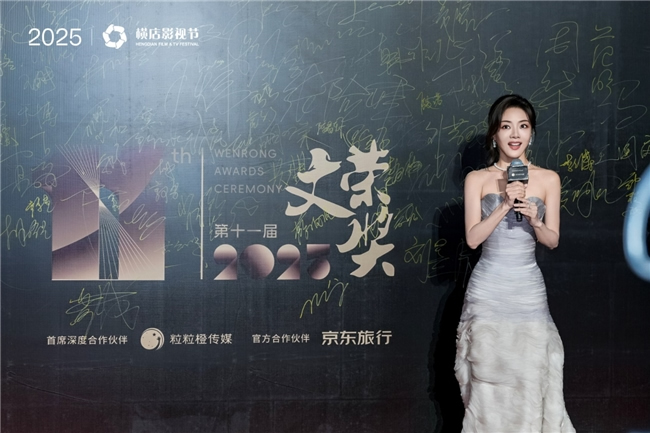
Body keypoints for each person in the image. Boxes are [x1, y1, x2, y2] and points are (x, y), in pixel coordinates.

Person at [454, 94, 575, 432]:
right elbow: (473, 239)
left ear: (531, 133)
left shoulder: (548, 179)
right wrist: (505, 205)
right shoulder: (477, 179)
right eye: (506, 127)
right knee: (487, 379)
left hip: (527, 289)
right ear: (494, 133)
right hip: (488, 290)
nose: (515, 134)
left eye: (522, 126)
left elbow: (552, 240)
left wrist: (536, 220)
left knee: (530, 376)